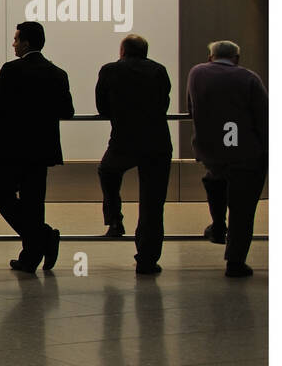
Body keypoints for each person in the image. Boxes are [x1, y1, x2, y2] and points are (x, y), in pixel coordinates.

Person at [0, 21, 74, 274]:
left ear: (25, 42)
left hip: (10, 147)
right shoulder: (57, 73)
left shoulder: (11, 70)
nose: (13, 44)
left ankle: (42, 239)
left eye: (15, 39)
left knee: (0, 194)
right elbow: (66, 111)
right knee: (34, 201)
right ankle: (32, 251)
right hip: (40, 149)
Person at [187, 40, 268, 277]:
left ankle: (218, 224)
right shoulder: (249, 78)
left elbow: (191, 107)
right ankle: (235, 262)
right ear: (237, 58)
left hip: (211, 151)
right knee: (243, 210)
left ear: (210, 57)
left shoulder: (197, 73)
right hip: (245, 153)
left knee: (215, 180)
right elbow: (264, 116)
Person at [95, 34, 172, 275]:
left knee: (107, 171)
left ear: (122, 51)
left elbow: (102, 107)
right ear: (145, 52)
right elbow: (163, 103)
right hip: (157, 142)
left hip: (123, 140)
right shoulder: (159, 71)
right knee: (152, 204)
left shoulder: (109, 71)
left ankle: (114, 217)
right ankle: (147, 259)